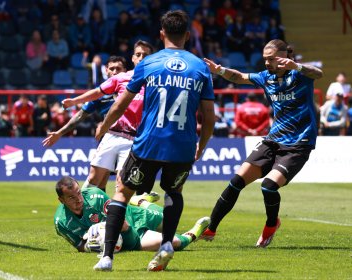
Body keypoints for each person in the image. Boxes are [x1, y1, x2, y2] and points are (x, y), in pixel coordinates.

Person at [93, 10, 215, 272]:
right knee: (174, 192)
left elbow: (120, 104)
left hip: (148, 142)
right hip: (182, 145)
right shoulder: (201, 67)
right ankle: (167, 244)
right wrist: (201, 146)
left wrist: (104, 126)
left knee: (122, 193)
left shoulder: (148, 63)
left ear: (161, 34)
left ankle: (107, 257)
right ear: (187, 35)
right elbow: (209, 116)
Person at [201, 39, 323, 248]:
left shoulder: (300, 74)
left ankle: (271, 224)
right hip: (273, 140)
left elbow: (318, 73)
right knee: (236, 181)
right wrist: (219, 70)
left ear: (285, 56)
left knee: (268, 186)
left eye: (271, 59)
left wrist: (297, 66)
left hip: (298, 144)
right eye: (265, 59)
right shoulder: (266, 77)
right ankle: (211, 229)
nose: (266, 63)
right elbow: (239, 77)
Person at [60, 41, 153, 193]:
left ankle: (120, 214)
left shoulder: (157, 82)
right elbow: (97, 92)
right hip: (112, 135)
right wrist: (75, 101)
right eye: (138, 54)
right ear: (133, 58)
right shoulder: (122, 78)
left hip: (136, 139)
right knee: (93, 180)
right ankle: (84, 214)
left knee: (122, 185)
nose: (141, 58)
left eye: (145, 55)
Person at [54, 176, 209, 254]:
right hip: (131, 238)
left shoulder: (96, 196)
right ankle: (194, 233)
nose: (79, 200)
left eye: (79, 193)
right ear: (61, 200)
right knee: (174, 242)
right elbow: (79, 245)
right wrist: (91, 246)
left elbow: (121, 220)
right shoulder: (61, 222)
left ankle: (139, 201)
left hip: (133, 216)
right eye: (72, 198)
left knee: (170, 217)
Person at [42, 55, 128, 191]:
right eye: (112, 68)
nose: (115, 71)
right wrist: (60, 132)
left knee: (123, 183)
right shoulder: (101, 93)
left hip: (131, 137)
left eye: (119, 68)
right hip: (108, 137)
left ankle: (121, 210)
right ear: (106, 71)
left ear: (126, 71)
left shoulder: (134, 90)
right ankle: (98, 211)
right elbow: (81, 114)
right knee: (98, 182)